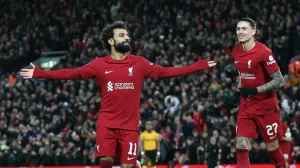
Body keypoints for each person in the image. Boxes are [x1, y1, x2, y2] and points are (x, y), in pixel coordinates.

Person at [20, 21, 216, 168]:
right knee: (105, 162)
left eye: (127, 35)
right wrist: (41, 73)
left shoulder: (139, 63)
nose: (127, 38)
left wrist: (197, 66)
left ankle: (134, 163)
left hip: (129, 126)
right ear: (111, 41)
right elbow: (73, 73)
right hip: (106, 122)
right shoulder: (99, 65)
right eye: (122, 35)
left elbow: (166, 72)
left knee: (127, 166)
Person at [231, 18, 286, 168]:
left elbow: (279, 81)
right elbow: (243, 74)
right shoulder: (236, 52)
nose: (240, 32)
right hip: (246, 105)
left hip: (266, 106)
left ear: (253, 31)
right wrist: (238, 92)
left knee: (272, 149)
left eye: (244, 29)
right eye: (238, 29)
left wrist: (256, 90)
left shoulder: (264, 52)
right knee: (241, 146)